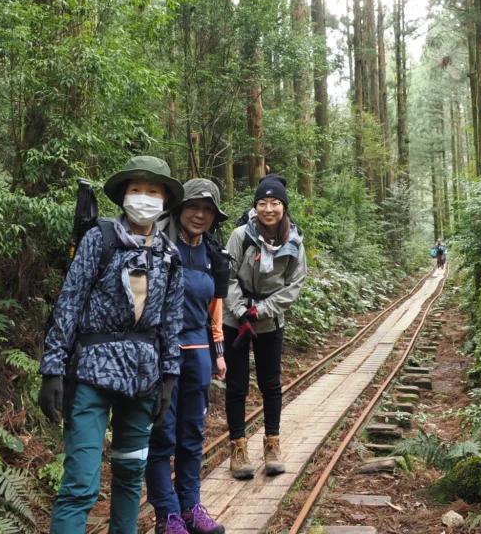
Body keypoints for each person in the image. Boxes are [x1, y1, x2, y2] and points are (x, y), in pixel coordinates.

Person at [38, 156, 185, 534]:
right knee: (80, 485)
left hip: (143, 379)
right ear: (122, 195)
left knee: (130, 475)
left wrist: (169, 376)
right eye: (136, 189)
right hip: (91, 372)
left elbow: (171, 322)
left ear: (165, 199)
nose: (144, 197)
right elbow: (69, 303)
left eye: (153, 191)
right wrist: (52, 370)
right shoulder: (99, 239)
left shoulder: (169, 255)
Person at [146, 179, 230, 534]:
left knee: (192, 433)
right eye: (194, 206)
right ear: (179, 208)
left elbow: (215, 308)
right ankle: (167, 515)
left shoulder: (213, 253)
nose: (200, 214)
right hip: (159, 352)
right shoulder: (158, 245)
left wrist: (219, 353)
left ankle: (191, 507)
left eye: (208, 209)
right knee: (162, 434)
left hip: (198, 353)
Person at [223, 173, 307, 480]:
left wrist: (261, 310)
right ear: (255, 205)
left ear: (283, 207)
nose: (268, 208)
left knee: (270, 384)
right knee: (237, 385)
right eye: (262, 202)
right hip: (236, 318)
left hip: (269, 319)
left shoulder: (294, 241)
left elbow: (295, 284)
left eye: (274, 202)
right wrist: (241, 309)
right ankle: (238, 447)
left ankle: (272, 443)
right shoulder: (240, 236)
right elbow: (227, 276)